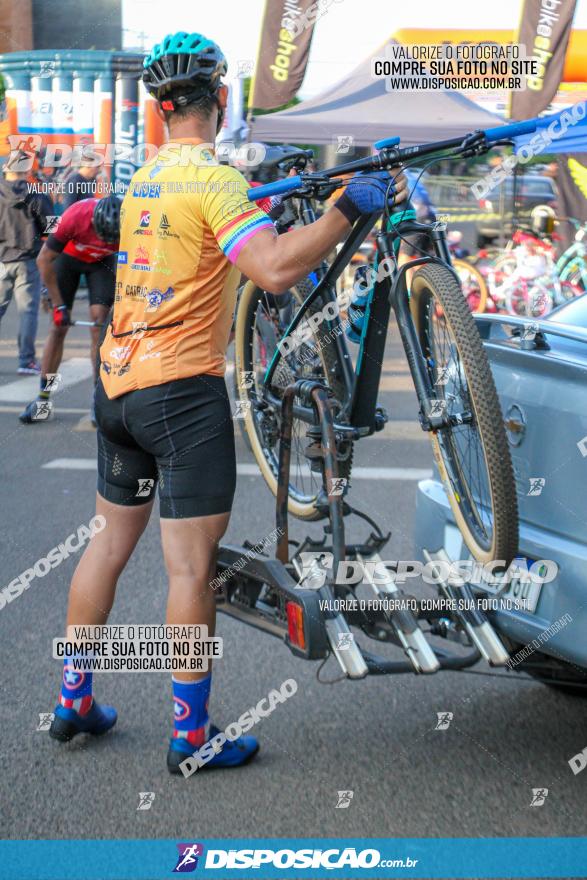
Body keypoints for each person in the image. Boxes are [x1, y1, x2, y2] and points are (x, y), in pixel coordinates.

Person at [47, 31, 408, 774]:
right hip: (180, 392)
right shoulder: (215, 181)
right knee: (189, 570)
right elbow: (273, 268)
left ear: (159, 110)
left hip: (116, 387)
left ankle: (72, 700)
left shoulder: (146, 176)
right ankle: (190, 736)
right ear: (219, 101)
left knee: (106, 546)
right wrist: (346, 208)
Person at [19, 195, 120, 425]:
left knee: (99, 325)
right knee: (58, 328)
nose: (103, 240)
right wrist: (58, 304)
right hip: (68, 260)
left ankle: (97, 400)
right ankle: (43, 398)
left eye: (109, 238)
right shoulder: (74, 217)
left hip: (101, 265)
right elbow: (43, 260)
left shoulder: (129, 222)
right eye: (101, 236)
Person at [0, 150, 52, 374]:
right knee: (27, 312)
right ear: (27, 170)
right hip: (28, 260)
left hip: (2, 258)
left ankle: (27, 361)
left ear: (6, 169)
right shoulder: (37, 196)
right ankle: (26, 361)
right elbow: (53, 230)